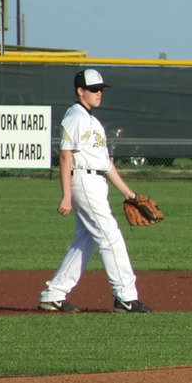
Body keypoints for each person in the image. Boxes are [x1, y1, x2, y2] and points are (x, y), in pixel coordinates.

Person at [39, 69, 153, 314]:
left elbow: (106, 164)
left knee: (87, 238)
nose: (99, 93)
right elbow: (66, 156)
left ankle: (54, 294)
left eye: (101, 89)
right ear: (80, 91)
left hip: (96, 181)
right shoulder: (75, 116)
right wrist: (66, 195)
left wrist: (129, 194)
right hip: (83, 180)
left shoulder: (94, 122)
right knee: (110, 236)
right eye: (93, 89)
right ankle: (125, 297)